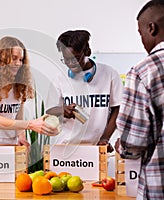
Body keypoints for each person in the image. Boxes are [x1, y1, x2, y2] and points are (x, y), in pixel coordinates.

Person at [116, 0, 164, 199]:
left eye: (140, 32)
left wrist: (122, 145)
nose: (142, 38)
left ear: (151, 28)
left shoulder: (144, 72)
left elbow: (133, 144)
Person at [0, 36, 57, 146]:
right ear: (2, 59)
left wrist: (21, 136)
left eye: (21, 59)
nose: (18, 63)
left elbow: (18, 117)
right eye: (14, 58)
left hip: (10, 145)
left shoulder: (19, 87)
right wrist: (30, 124)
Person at [46, 30, 123, 151]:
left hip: (98, 146)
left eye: (76, 58)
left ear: (87, 51)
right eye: (66, 59)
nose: (71, 63)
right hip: (67, 146)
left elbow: (117, 109)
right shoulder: (59, 79)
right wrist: (62, 110)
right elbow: (50, 110)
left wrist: (105, 138)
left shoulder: (110, 74)